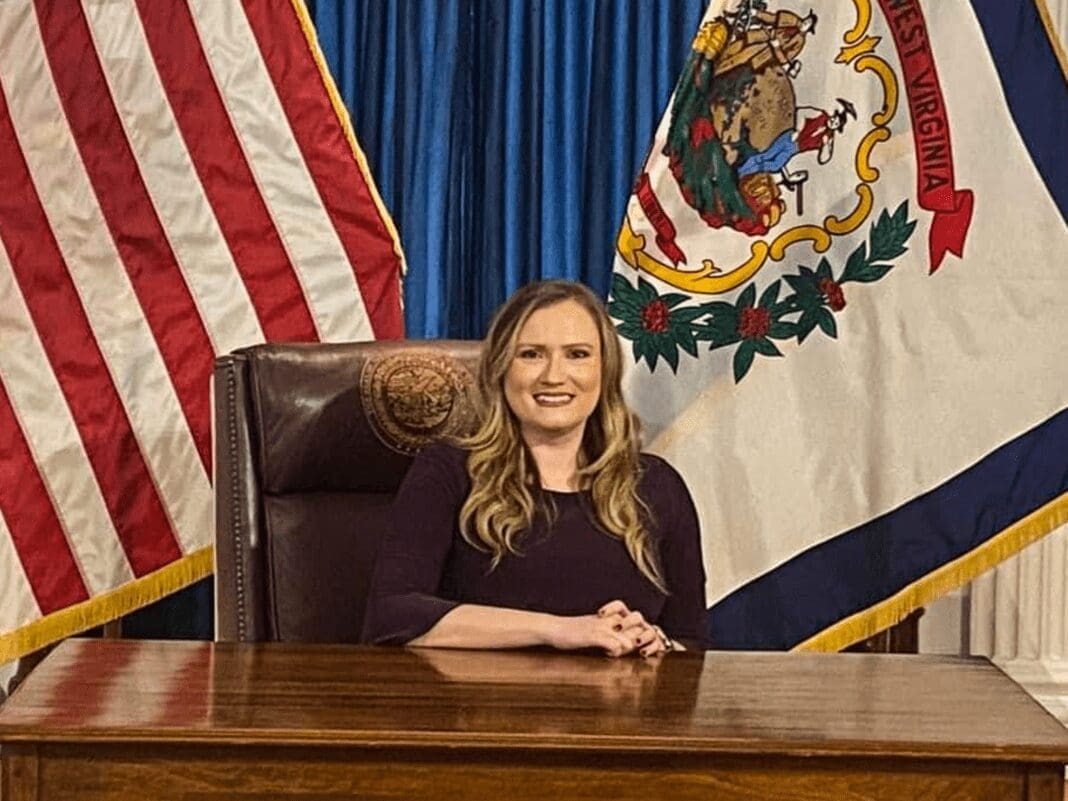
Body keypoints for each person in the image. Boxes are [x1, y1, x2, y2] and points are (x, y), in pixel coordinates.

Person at [362, 280, 709, 656]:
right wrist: (560, 630)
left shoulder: (656, 486)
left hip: (618, 710)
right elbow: (391, 617)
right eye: (531, 354)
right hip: (479, 710)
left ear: (605, 370)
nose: (554, 376)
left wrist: (657, 642)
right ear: (501, 368)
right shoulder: (449, 471)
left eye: (577, 354)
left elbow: (690, 642)